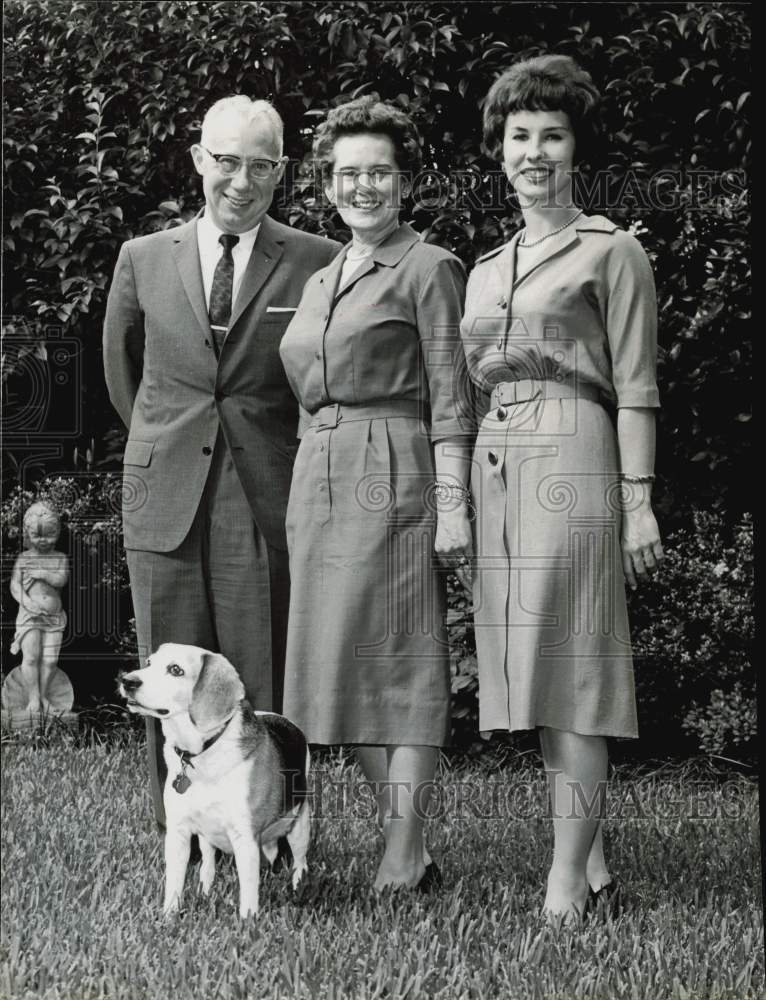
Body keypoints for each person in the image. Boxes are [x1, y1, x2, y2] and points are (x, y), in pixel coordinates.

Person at [462, 55, 663, 920]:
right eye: (518, 136)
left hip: (574, 452)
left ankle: (563, 885)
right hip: (497, 462)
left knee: (575, 667)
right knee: (536, 670)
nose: (533, 152)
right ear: (499, 151)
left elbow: (638, 384)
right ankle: (594, 863)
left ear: (578, 148)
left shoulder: (612, 250)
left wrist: (639, 497)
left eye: (551, 135)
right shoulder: (484, 266)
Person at [103, 96, 341, 826]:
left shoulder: (316, 260)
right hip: (162, 490)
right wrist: (162, 441)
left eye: (261, 164)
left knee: (258, 670)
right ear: (200, 159)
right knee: (166, 679)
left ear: (282, 171)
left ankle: (267, 830)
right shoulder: (142, 259)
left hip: (263, 493)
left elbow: (320, 374)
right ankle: (182, 829)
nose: (242, 180)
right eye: (227, 161)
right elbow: (122, 373)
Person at [279, 96, 474, 891]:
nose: (363, 186)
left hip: (394, 466)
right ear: (327, 184)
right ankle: (410, 842)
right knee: (328, 666)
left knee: (399, 660)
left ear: (405, 180)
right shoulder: (324, 274)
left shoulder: (429, 267)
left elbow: (454, 394)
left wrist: (453, 501)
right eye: (348, 173)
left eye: (379, 172)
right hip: (316, 476)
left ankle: (401, 852)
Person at [9, 502, 69, 713]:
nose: (43, 541)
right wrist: (28, 603)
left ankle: (44, 695)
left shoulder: (60, 558)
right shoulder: (24, 559)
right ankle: (34, 698)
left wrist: (43, 574)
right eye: (37, 535)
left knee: (51, 660)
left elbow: (61, 580)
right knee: (32, 657)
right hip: (30, 617)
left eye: (49, 535)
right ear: (27, 534)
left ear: (58, 532)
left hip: (54, 618)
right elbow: (15, 586)